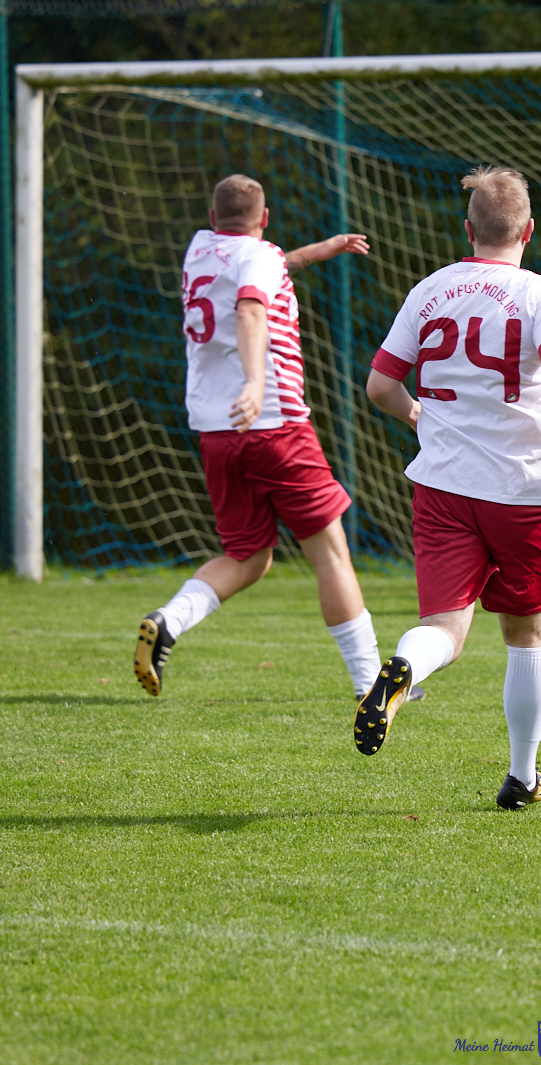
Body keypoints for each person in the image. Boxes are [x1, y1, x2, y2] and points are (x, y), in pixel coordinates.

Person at [363, 165, 541, 810]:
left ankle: (405, 667)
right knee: (527, 635)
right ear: (528, 230)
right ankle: (522, 776)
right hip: (521, 489)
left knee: (444, 628)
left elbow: (380, 385)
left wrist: (417, 414)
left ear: (468, 229)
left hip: (442, 486)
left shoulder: (429, 290)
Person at [133, 174, 382, 702]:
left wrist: (319, 251)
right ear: (265, 219)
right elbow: (251, 306)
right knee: (331, 554)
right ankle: (370, 684)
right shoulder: (259, 258)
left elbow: (264, 266)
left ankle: (169, 620)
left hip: (215, 430)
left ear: (212, 218)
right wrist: (254, 382)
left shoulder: (200, 251)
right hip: (273, 423)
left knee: (248, 556)